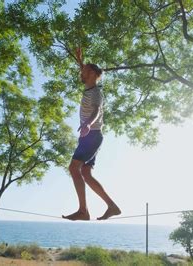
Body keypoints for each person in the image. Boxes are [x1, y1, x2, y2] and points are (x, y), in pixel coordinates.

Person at [62, 47, 121, 221]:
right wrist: (80, 60)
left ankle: (83, 211)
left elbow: (96, 110)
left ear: (94, 74)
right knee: (86, 173)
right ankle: (112, 206)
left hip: (92, 135)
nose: (82, 72)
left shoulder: (96, 92)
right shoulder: (89, 87)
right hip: (93, 136)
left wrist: (87, 123)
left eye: (85, 70)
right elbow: (84, 70)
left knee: (74, 168)